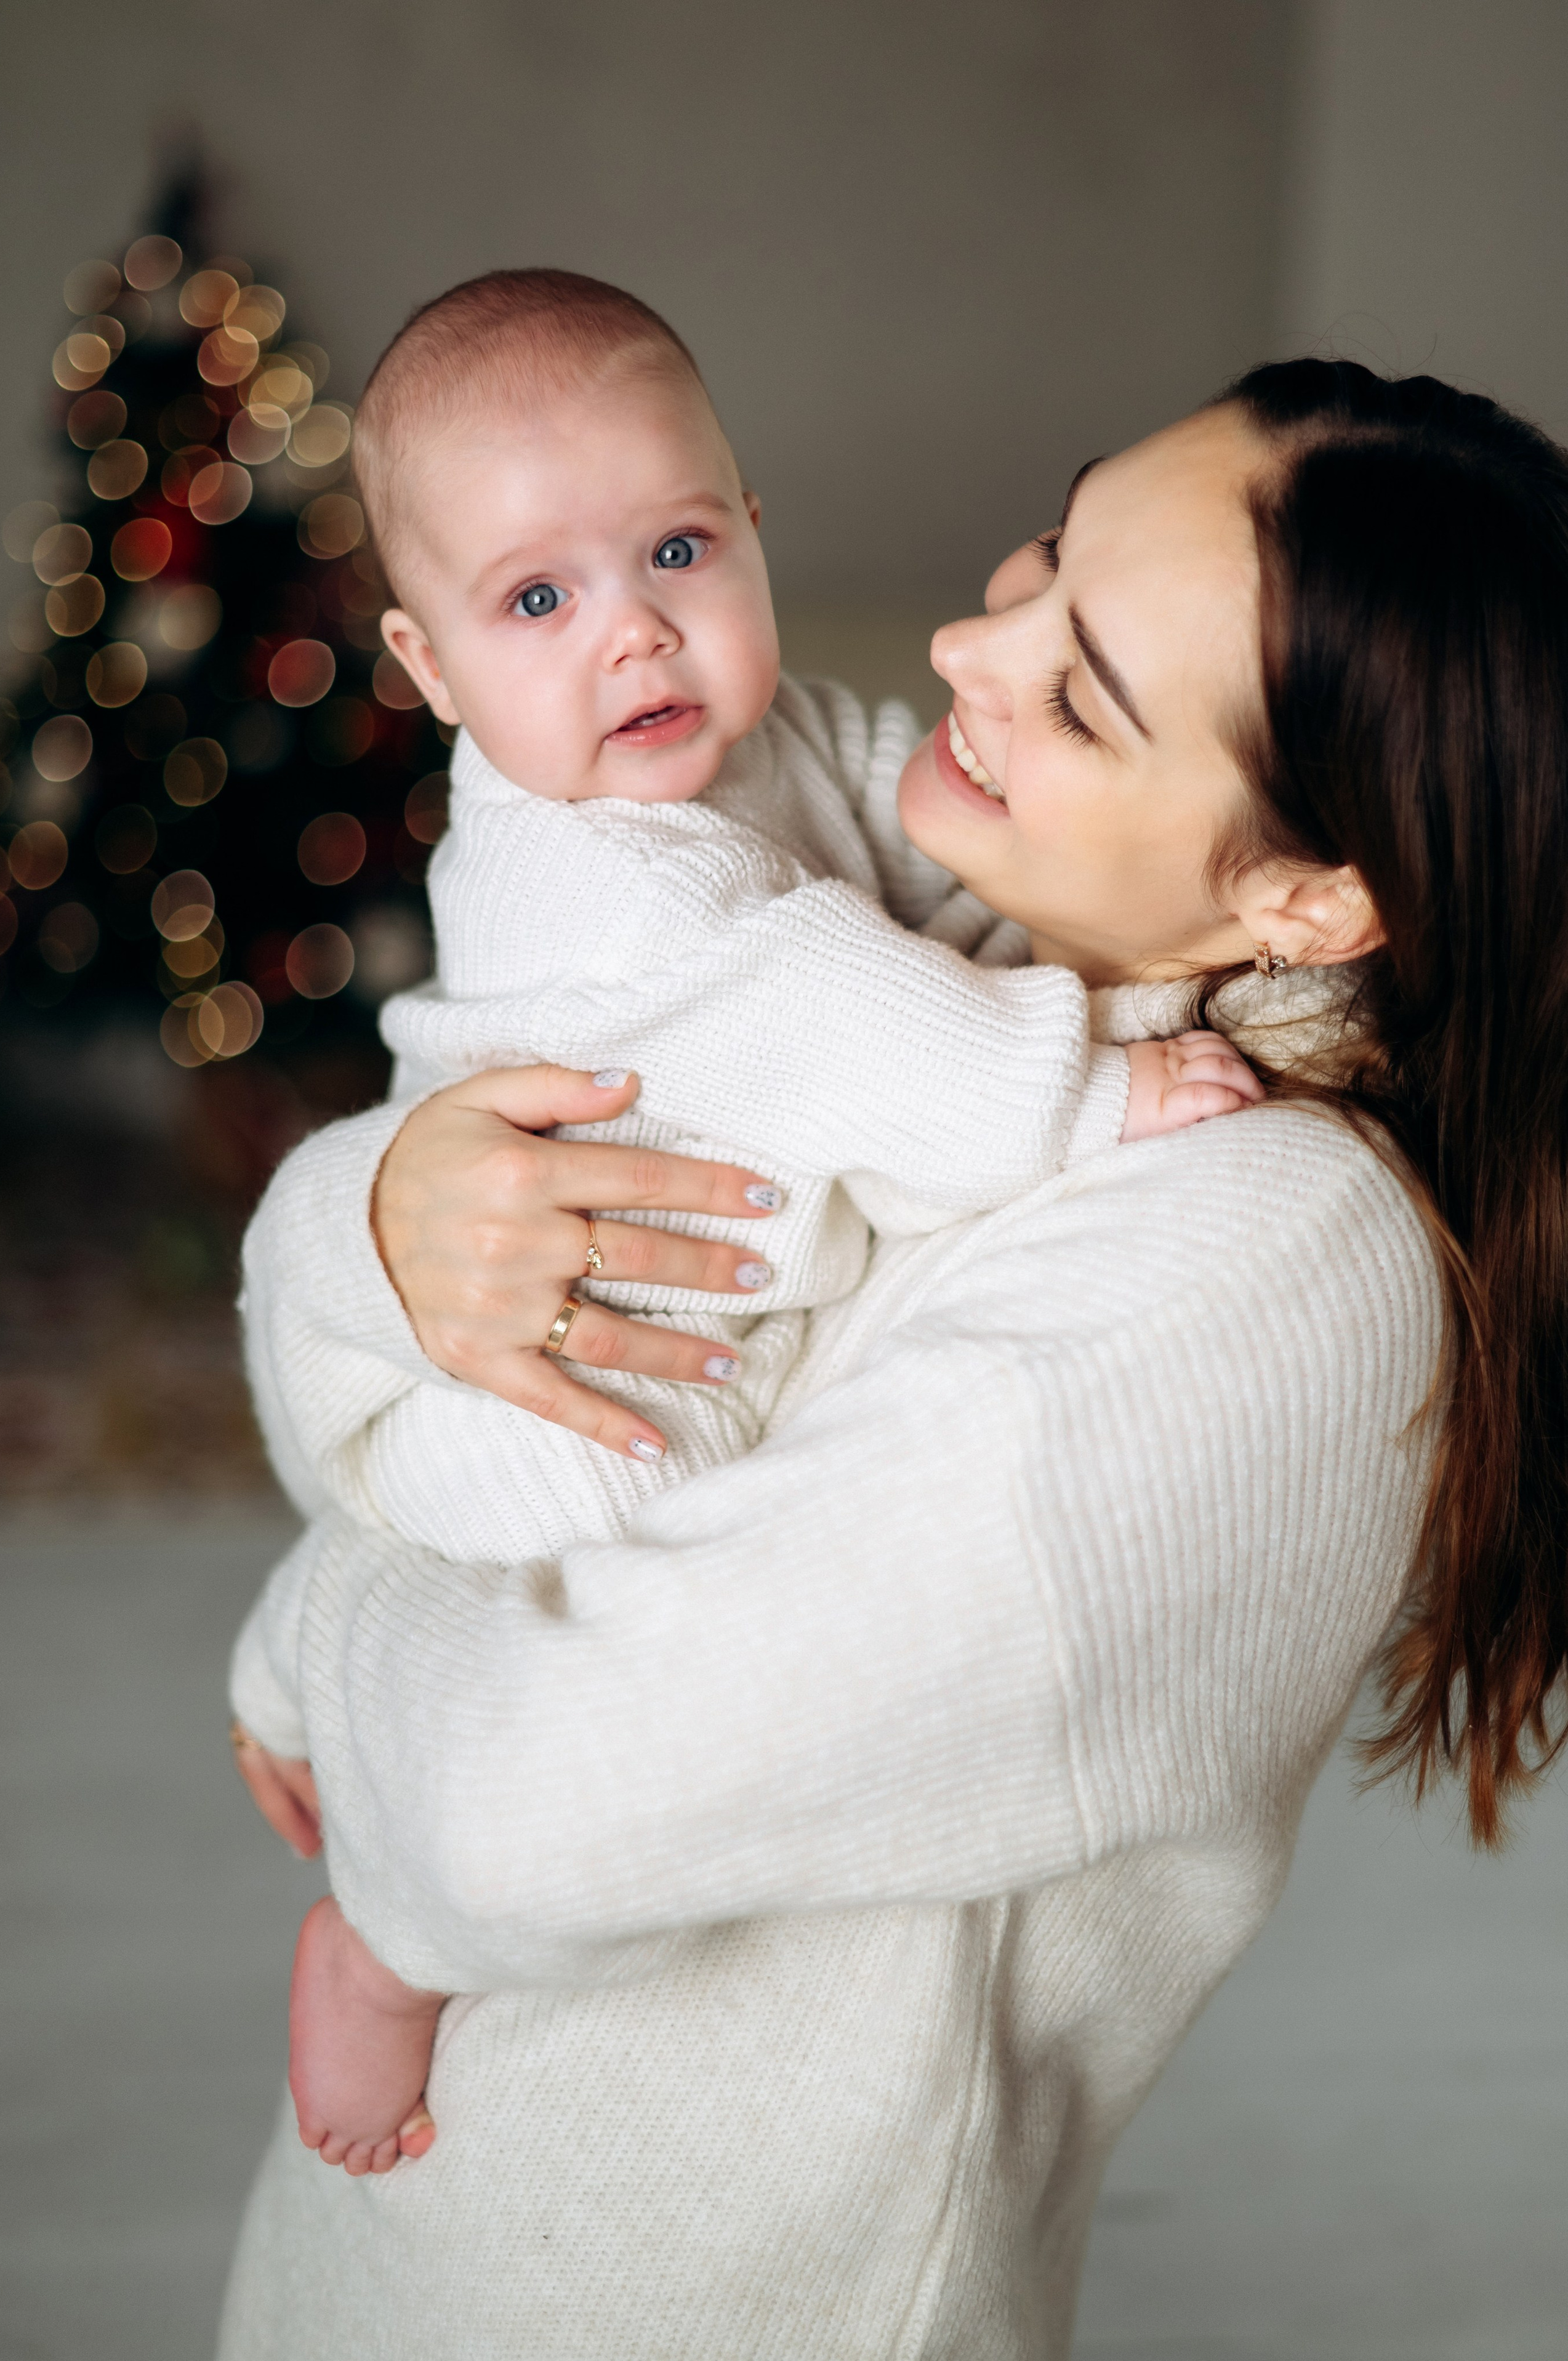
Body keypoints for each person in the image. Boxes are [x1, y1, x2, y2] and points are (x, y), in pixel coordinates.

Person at [222, 360, 1568, 2361]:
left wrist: (324, 1625)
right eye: (1044, 551)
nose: (965, 643)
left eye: (1083, 689)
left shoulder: (1259, 1264)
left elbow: (514, 1799)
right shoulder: (988, 948)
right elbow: (361, 1387)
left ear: (1310, 892)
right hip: (432, 2233)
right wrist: (378, 1223)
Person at [256, 265, 1260, 2173]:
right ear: (429, 668)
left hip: (639, 1299)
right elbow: (852, 1015)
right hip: (583, 1373)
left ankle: (304, 1639)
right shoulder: (615, 880)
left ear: (752, 531)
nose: (634, 631)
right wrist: (1100, 1083)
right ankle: (379, 1939)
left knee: (544, 1585)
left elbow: (906, 822)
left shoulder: (762, 732)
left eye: (678, 550)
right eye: (537, 601)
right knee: (568, 1637)